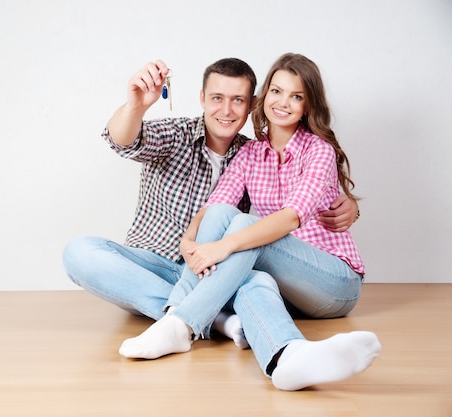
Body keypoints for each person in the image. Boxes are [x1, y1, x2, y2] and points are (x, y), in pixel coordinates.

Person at [118, 53, 381, 391]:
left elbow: (289, 219)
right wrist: (189, 244)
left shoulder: (318, 151)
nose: (283, 102)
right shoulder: (250, 154)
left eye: (296, 96)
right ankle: (286, 357)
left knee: (243, 228)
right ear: (264, 97)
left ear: (307, 104)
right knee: (242, 259)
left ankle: (180, 321)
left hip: (334, 282)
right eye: (276, 91)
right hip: (288, 286)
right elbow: (214, 210)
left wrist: (222, 246)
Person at [62, 57, 359, 343]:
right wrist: (135, 107)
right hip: (164, 266)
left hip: (223, 266)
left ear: (251, 103)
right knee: (80, 252)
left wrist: (349, 205)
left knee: (249, 247)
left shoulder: (257, 150)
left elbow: (295, 209)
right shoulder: (180, 135)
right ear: (202, 98)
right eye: (217, 98)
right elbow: (124, 140)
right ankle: (212, 318)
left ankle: (186, 317)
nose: (227, 109)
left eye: (238, 100)